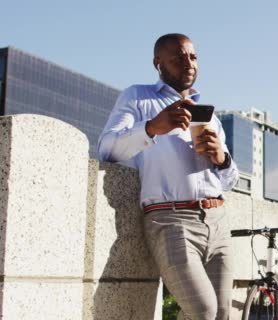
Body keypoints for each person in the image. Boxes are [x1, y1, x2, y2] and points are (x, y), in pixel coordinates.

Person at [98, 33, 238, 320]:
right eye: (178, 57)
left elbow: (228, 182)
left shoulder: (209, 116)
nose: (188, 62)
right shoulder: (138, 97)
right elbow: (106, 149)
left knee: (223, 314)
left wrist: (222, 159)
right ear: (158, 63)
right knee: (204, 311)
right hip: (170, 220)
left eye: (193, 56)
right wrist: (151, 127)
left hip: (217, 220)